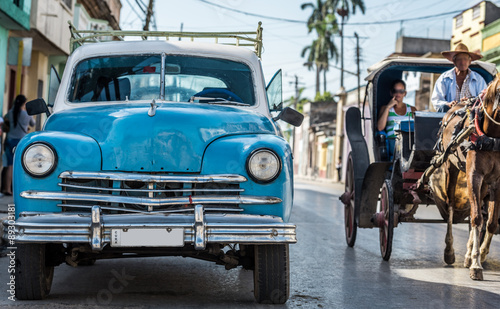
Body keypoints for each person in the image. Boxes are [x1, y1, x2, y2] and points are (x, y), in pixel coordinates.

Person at [431, 43, 487, 112]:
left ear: (469, 62)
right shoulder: (444, 78)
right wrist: (448, 104)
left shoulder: (478, 79)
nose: (462, 62)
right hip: (449, 118)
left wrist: (470, 102)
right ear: (454, 62)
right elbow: (436, 100)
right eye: (459, 59)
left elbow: (484, 99)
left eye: (465, 59)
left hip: (471, 119)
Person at [3, 95, 34, 195]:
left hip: (9, 140)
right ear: (24, 103)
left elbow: (5, 121)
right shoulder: (27, 114)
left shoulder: (11, 113)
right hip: (21, 141)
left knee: (9, 165)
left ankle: (7, 189)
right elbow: (33, 124)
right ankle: (18, 189)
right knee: (20, 166)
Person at [377, 79, 417, 158]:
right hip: (393, 140)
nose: (398, 94)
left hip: (409, 140)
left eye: (401, 91)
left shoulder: (412, 109)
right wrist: (388, 107)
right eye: (395, 91)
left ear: (404, 93)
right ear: (391, 92)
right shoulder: (385, 108)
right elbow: (380, 127)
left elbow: (417, 128)